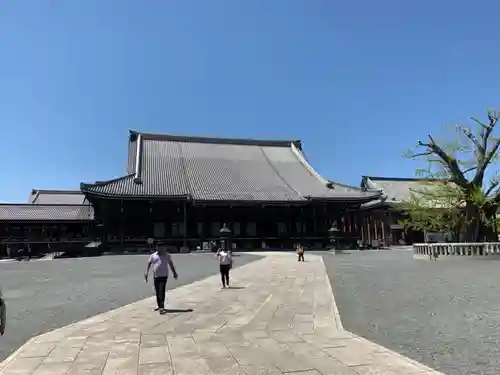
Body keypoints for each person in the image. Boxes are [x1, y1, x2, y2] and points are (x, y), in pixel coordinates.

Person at [144, 245, 178, 314]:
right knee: (157, 291)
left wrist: (174, 273)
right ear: (157, 247)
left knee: (161, 290)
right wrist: (146, 272)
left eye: (162, 247)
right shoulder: (153, 255)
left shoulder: (167, 255)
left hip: (164, 276)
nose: (161, 248)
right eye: (159, 247)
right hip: (156, 276)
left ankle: (161, 307)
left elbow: (171, 264)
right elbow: (149, 263)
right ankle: (159, 306)